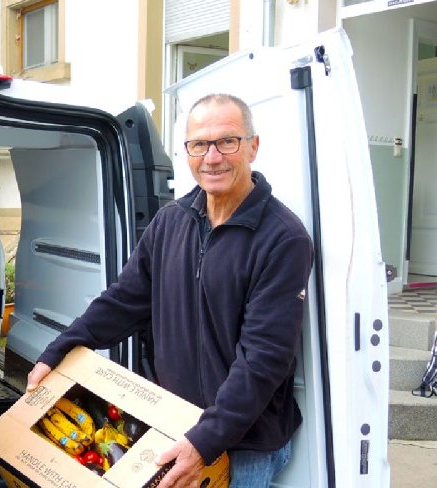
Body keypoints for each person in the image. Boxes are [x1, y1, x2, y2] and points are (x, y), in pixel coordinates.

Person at [25, 93, 313, 488]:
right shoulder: (170, 222)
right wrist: (60, 348)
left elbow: (263, 360)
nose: (212, 157)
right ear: (188, 151)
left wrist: (205, 441)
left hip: (244, 444)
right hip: (176, 425)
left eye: (227, 141)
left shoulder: (282, 238)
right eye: (199, 144)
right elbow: (123, 301)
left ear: (253, 147)